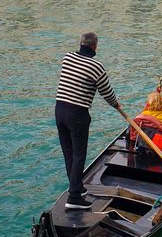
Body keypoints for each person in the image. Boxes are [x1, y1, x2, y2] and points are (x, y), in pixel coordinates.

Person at [55, 31, 128, 210]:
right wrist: (116, 104)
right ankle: (74, 198)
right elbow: (106, 92)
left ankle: (77, 187)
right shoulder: (96, 66)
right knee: (79, 154)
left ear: (81, 43)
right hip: (77, 114)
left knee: (69, 153)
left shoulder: (67, 57)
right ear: (95, 46)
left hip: (59, 110)